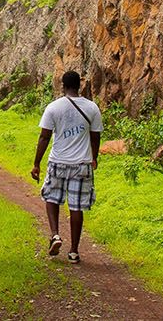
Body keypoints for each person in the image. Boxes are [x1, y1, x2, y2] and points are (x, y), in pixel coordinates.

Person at [30, 71, 102, 263]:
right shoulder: (92, 108)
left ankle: (55, 234)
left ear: (63, 85)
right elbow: (96, 137)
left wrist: (36, 163)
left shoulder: (53, 107)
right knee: (76, 207)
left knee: (52, 199)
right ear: (80, 86)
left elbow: (44, 136)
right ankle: (74, 251)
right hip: (82, 164)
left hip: (58, 162)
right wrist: (93, 158)